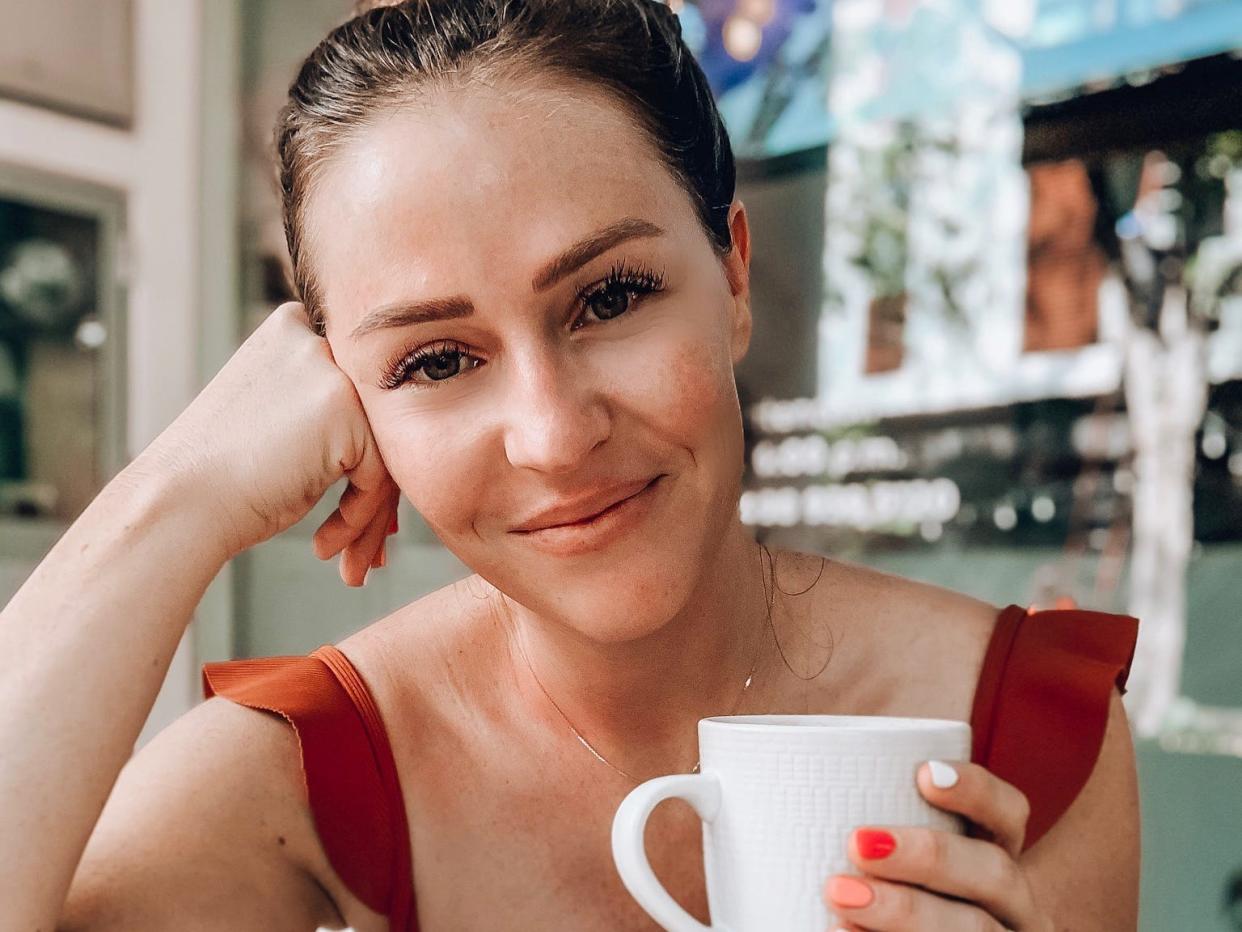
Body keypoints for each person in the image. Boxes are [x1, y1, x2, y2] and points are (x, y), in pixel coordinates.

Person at [1, 2, 1140, 929]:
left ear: (734, 277)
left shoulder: (1023, 727)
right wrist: (176, 494)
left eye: (611, 296)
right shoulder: (306, 770)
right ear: (351, 399)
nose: (553, 434)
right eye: (436, 359)